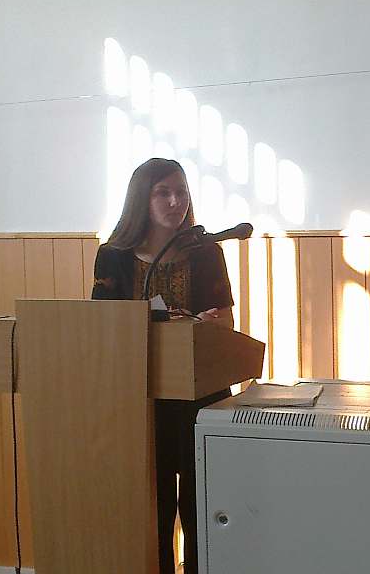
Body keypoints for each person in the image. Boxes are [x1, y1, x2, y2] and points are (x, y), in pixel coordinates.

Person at [92, 157, 234, 574]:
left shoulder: (206, 252)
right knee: (153, 509)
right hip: (142, 399)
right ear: (142, 198)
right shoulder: (113, 256)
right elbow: (103, 327)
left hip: (201, 395)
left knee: (201, 506)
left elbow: (226, 322)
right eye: (163, 192)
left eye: (181, 192)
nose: (175, 201)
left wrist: (207, 324)